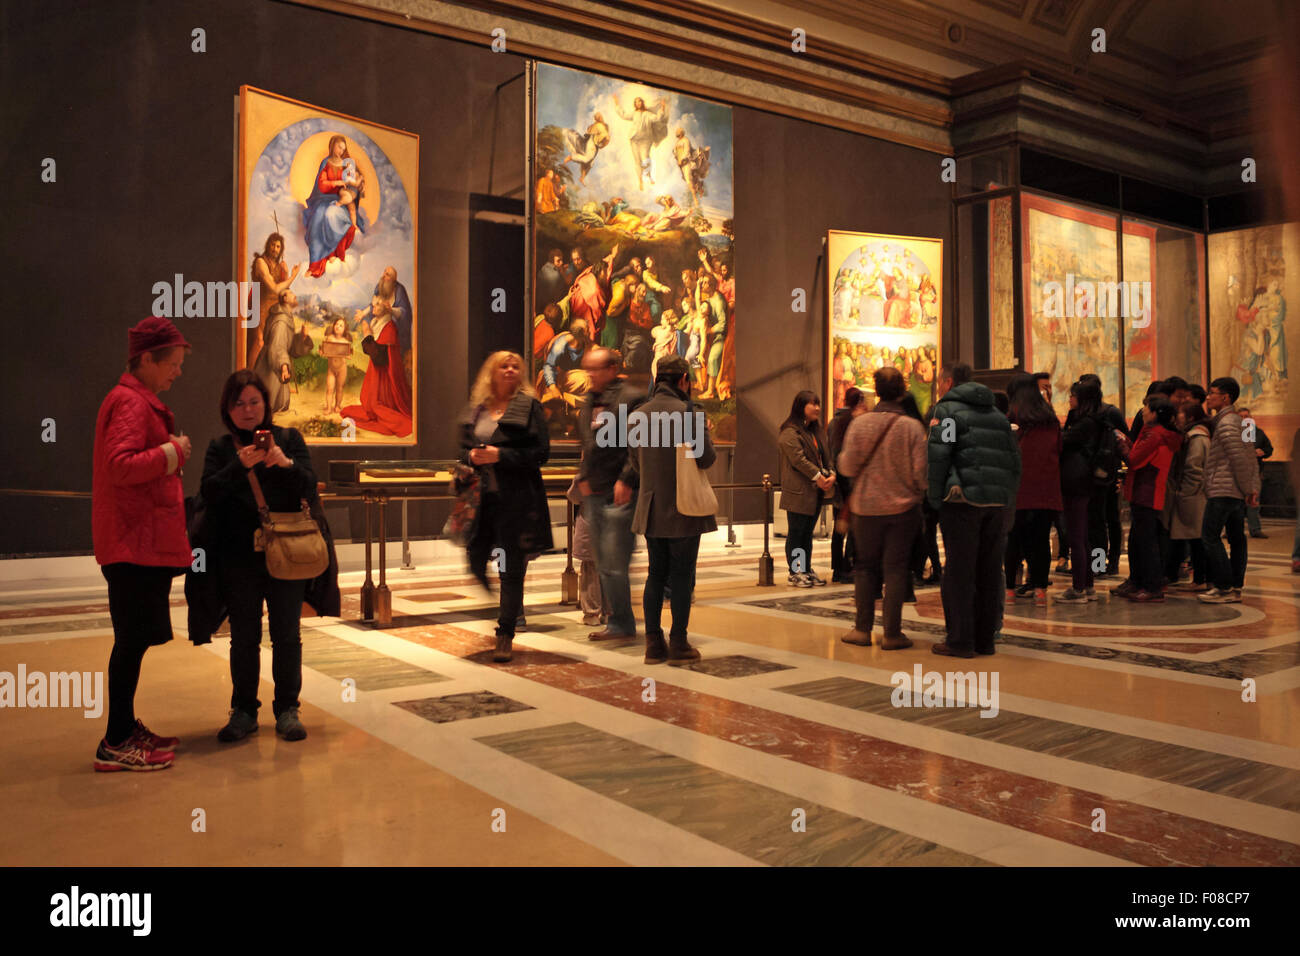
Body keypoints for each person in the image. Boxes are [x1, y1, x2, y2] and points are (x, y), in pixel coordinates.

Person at [91, 317, 192, 772]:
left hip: (137, 541)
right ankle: (115, 742)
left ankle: (126, 727)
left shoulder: (133, 400)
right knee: (130, 642)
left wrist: (167, 450)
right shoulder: (130, 403)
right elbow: (120, 465)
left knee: (132, 640)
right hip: (131, 543)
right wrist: (172, 452)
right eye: (171, 363)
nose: (177, 372)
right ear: (146, 359)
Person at [199, 370, 318, 742]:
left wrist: (284, 463)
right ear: (228, 409)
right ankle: (244, 711)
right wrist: (240, 465)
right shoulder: (221, 448)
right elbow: (209, 493)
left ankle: (287, 709)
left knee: (287, 634)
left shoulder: (288, 439)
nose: (248, 410)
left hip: (285, 551)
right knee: (244, 637)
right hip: (238, 556)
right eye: (239, 403)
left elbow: (309, 487)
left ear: (266, 404)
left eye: (254, 402)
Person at [459, 352, 554, 661]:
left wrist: (501, 456)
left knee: (511, 571)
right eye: (505, 365)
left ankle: (505, 632)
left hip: (518, 499)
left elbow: (541, 453)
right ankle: (500, 605)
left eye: (516, 367)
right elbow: (464, 449)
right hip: (482, 500)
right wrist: (470, 458)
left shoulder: (529, 407)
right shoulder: (478, 410)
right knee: (474, 558)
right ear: (492, 372)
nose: (511, 370)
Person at [622, 356, 716, 665]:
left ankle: (653, 644)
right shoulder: (689, 414)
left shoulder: (636, 416)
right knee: (682, 575)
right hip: (684, 508)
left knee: (655, 574)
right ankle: (678, 643)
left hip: (651, 508)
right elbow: (705, 459)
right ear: (684, 380)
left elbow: (635, 464)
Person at [926, 363, 1021, 656]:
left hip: (962, 501)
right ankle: (985, 640)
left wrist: (934, 497)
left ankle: (960, 641)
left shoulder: (948, 412)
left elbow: (941, 454)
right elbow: (1014, 461)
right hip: (996, 503)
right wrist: (1006, 496)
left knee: (959, 571)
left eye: (940, 382)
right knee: (990, 571)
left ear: (949, 382)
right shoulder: (996, 415)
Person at [837, 367, 927, 649]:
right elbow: (921, 473)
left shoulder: (860, 425)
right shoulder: (912, 427)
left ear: (876, 391)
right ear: (902, 392)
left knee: (865, 568)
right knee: (897, 570)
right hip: (902, 510)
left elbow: (847, 466)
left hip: (866, 509)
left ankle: (862, 630)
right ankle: (892, 634)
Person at [576, 348, 645, 643]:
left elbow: (639, 443)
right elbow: (589, 445)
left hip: (621, 491)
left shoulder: (632, 398)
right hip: (595, 490)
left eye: (596, 369)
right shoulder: (589, 401)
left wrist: (627, 479)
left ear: (613, 368)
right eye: (587, 369)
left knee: (616, 563)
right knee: (603, 562)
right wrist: (584, 477)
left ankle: (622, 623)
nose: (590, 374)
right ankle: (618, 621)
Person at [1198, 377, 1260, 604]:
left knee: (1210, 537)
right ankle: (1235, 585)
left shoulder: (1226, 423)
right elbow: (1250, 456)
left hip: (1224, 489)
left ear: (1225, 397)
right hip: (1235, 489)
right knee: (1237, 538)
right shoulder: (1243, 423)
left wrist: (1248, 488)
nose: (1208, 397)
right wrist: (1252, 488)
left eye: (1212, 393)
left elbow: (1238, 459)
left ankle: (1223, 587)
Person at [1004, 372, 1062, 606]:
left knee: (1013, 539)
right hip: (1046, 487)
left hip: (1018, 486)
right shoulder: (1050, 419)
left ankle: (1009, 589)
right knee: (1040, 540)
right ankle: (1040, 591)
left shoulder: (1012, 417)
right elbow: (1059, 448)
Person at [1120, 395, 1182, 602]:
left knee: (1146, 542)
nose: (1143, 411)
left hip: (1147, 490)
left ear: (1155, 413)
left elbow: (1134, 459)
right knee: (1139, 540)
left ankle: (1152, 586)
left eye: (1146, 407)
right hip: (1145, 490)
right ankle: (1139, 581)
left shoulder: (1155, 435)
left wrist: (1121, 444)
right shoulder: (1155, 433)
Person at [778, 390, 835, 586]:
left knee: (807, 533)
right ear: (800, 407)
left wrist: (831, 473)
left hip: (815, 491)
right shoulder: (789, 432)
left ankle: (806, 568)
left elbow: (825, 456)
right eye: (812, 404)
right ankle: (795, 571)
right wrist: (819, 476)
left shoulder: (816, 431)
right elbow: (798, 460)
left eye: (818, 403)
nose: (817, 408)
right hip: (798, 492)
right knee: (797, 532)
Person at [340, 294, 414, 437]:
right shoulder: (377, 322)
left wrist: (367, 333)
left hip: (384, 380)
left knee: (376, 406)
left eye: (377, 305)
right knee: (369, 405)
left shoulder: (389, 327)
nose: (373, 307)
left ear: (386, 308)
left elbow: (379, 358)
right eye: (373, 304)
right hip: (377, 375)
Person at [303, 134, 368, 277]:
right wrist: (336, 183)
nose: (340, 151)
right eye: (339, 147)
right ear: (332, 146)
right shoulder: (325, 163)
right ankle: (314, 265)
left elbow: (353, 183)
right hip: (323, 199)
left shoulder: (347, 164)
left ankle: (334, 253)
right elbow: (321, 185)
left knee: (332, 213)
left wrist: (354, 188)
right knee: (318, 217)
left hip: (342, 200)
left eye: (343, 149)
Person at [1167, 402, 1211, 593]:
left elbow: (1194, 468)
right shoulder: (1200, 436)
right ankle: (1188, 575)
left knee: (1196, 538)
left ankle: (1200, 578)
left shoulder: (1195, 438)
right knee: (1193, 537)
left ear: (1191, 417)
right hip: (1196, 494)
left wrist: (1184, 492)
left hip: (1192, 495)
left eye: (1181, 413)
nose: (1178, 416)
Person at [246, 233, 302, 370]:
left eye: (278, 246)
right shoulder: (261, 262)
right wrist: (293, 276)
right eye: (273, 245)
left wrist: (286, 273)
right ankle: (249, 373)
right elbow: (274, 288)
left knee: (273, 344)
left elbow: (284, 291)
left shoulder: (279, 265)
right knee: (259, 342)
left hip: (274, 308)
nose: (275, 249)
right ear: (268, 245)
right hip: (259, 305)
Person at [827, 386, 865, 583]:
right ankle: (847, 566)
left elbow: (832, 451)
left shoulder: (834, 422)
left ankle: (837, 568)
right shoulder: (855, 422)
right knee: (851, 527)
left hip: (837, 481)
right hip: (850, 481)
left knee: (839, 527)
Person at [1236, 406, 1273, 538]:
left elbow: (1269, 449)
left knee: (1254, 502)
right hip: (1237, 473)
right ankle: (1234, 530)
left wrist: (1263, 452)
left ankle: (1255, 529)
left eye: (1247, 416)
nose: (1245, 419)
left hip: (1254, 473)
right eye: (1241, 417)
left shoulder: (1258, 433)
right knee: (1237, 504)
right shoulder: (1234, 433)